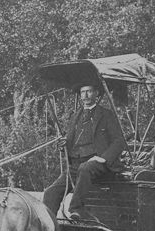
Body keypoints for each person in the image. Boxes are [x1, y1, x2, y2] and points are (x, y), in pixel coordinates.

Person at [43, 84, 126, 221]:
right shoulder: (75, 116)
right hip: (76, 165)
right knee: (50, 192)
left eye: (89, 91)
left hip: (98, 164)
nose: (85, 95)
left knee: (85, 168)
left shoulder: (106, 115)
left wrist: (104, 158)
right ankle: (47, 227)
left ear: (96, 94)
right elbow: (70, 141)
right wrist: (63, 144)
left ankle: (77, 209)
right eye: (82, 92)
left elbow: (119, 141)